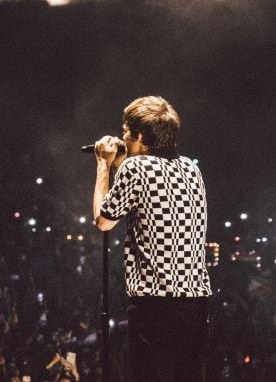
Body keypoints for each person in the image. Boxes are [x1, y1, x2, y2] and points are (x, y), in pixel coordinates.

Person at [92, 96, 212, 382]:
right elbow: (149, 186)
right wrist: (122, 159)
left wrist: (103, 165)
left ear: (141, 136)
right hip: (195, 304)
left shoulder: (136, 169)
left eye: (125, 133)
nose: (123, 139)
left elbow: (104, 220)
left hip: (155, 305)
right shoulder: (191, 169)